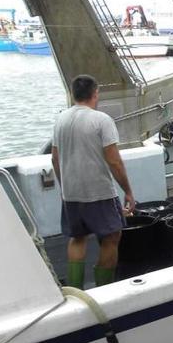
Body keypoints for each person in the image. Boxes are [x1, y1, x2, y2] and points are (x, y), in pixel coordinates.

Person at [51, 74, 135, 288]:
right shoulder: (101, 120)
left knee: (77, 237)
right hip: (99, 192)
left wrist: (64, 188)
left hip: (71, 194)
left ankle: (75, 288)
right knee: (112, 236)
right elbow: (114, 161)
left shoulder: (60, 119)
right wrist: (128, 191)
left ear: (73, 94)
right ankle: (104, 288)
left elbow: (55, 158)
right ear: (95, 93)